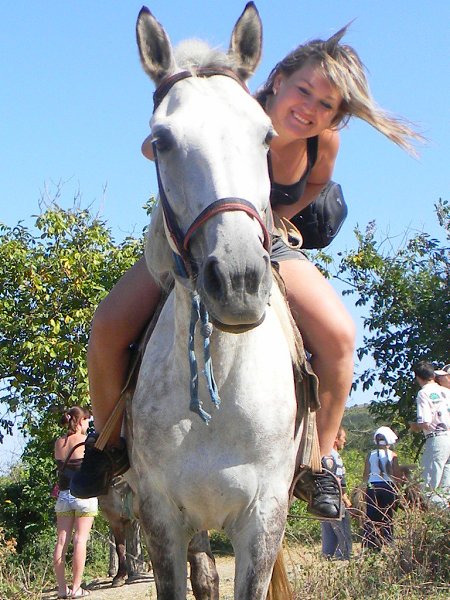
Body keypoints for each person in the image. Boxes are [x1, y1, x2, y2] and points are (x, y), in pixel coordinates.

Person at [71, 25, 421, 520]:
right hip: (197, 238)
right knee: (108, 325)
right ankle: (108, 445)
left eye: (326, 104)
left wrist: (273, 221)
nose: (310, 108)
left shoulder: (324, 144)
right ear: (277, 80)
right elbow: (167, 147)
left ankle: (319, 462)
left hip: (267, 241)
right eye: (304, 90)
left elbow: (312, 188)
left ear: (337, 115)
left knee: (341, 336)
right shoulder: (232, 107)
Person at [53, 406, 97, 598]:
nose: (88, 424)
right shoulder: (86, 441)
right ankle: (76, 588)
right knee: (80, 539)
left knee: (61, 541)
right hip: (84, 495)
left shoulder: (59, 442)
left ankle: (62, 589)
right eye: (87, 420)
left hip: (63, 495)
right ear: (79, 421)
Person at [410, 360, 450, 507]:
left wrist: (414, 426)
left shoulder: (423, 393)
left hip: (436, 439)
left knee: (428, 489)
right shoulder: (447, 392)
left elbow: (425, 422)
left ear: (418, 377)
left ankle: (438, 515)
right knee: (445, 490)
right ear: (433, 375)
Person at [361, 426, 402, 551]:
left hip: (372, 487)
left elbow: (366, 475)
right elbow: (397, 475)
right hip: (388, 486)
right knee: (387, 516)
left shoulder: (370, 455)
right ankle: (388, 542)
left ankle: (371, 544)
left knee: (371, 517)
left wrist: (363, 488)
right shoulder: (393, 455)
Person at [321, 426, 353, 560]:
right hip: (335, 499)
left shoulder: (323, 455)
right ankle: (343, 556)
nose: (344, 441)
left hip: (322, 499)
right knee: (343, 531)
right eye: (343, 438)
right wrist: (345, 499)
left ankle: (326, 556)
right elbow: (340, 481)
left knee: (328, 533)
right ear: (335, 439)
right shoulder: (335, 457)